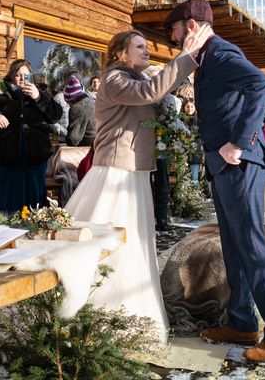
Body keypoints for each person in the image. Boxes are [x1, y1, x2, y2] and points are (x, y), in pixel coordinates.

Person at [164, 0, 265, 362]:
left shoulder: (220, 53)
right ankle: (241, 321)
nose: (172, 37)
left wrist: (237, 142)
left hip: (239, 164)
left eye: (173, 29)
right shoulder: (207, 57)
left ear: (190, 26)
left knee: (251, 246)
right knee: (235, 245)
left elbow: (260, 85)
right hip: (225, 167)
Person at [64, 26, 212, 343]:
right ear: (120, 54)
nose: (147, 51)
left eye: (147, 46)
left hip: (136, 172)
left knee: (135, 244)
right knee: (111, 244)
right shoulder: (115, 79)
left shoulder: (137, 79)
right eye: (139, 46)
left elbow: (155, 101)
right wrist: (186, 57)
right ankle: (97, 310)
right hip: (115, 175)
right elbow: (150, 94)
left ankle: (127, 309)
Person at [0, 59, 62, 212]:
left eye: (26, 75)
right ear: (11, 76)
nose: (22, 78)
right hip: (6, 158)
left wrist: (38, 98)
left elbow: (55, 115)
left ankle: (33, 232)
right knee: (9, 204)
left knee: (35, 205)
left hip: (35, 156)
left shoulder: (39, 91)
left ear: (31, 76)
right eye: (18, 75)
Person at [64, 74, 96, 147]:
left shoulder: (77, 108)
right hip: (97, 144)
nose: (68, 105)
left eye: (68, 102)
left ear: (71, 99)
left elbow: (74, 139)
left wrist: (67, 140)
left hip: (86, 148)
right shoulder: (91, 102)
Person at [181, 99, 203, 182]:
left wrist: (193, 144)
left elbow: (201, 135)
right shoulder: (181, 120)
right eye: (187, 106)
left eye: (192, 106)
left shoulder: (199, 120)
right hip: (183, 150)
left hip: (195, 151)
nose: (190, 109)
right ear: (184, 107)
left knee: (194, 176)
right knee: (184, 175)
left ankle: (194, 189)